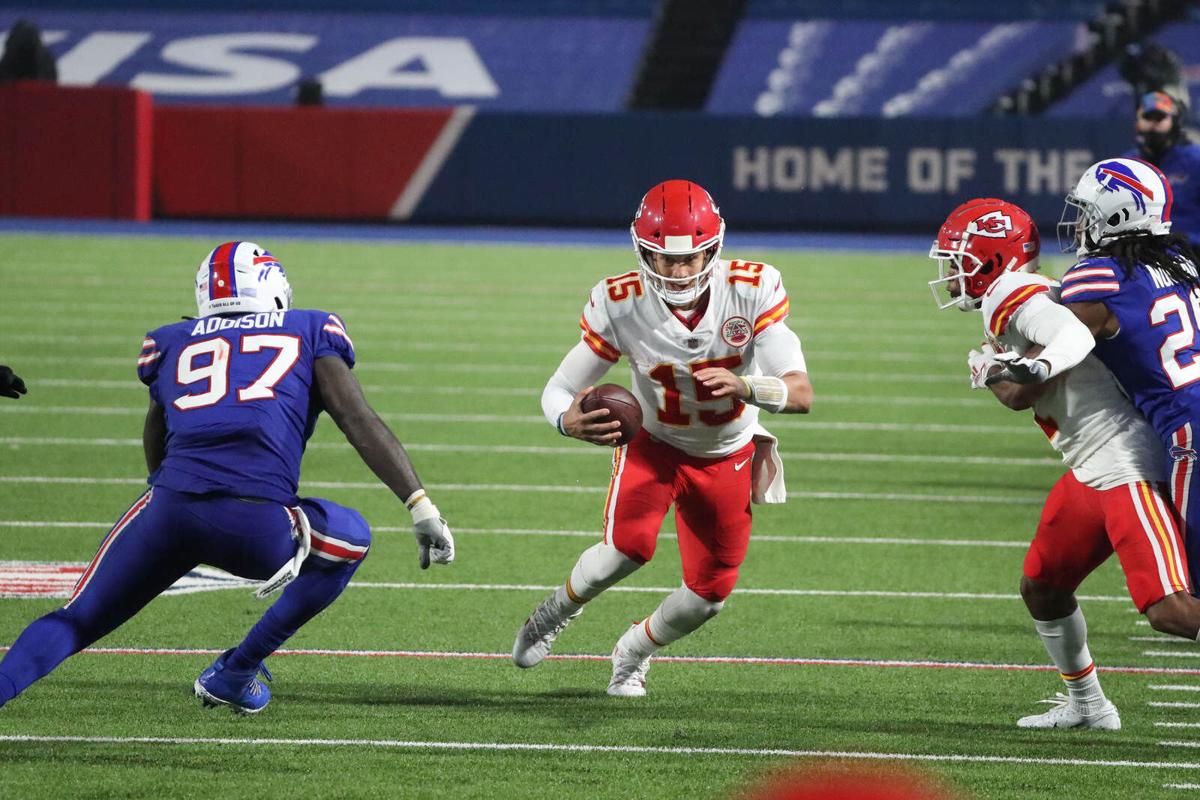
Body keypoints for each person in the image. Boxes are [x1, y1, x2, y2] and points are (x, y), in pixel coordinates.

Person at [0, 241, 455, 714]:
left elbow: (157, 435)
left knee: (74, 620)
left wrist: (171, 505)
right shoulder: (311, 329)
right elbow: (356, 418)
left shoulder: (172, 340)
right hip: (256, 528)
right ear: (274, 286)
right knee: (352, 538)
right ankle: (237, 670)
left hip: (169, 510)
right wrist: (419, 503)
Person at [511, 179, 812, 696]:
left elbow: (800, 392)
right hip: (655, 443)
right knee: (626, 548)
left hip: (727, 452)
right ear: (641, 250)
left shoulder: (753, 286)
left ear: (714, 249)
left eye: (693, 258)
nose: (679, 270)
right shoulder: (621, 300)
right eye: (664, 258)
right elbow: (560, 388)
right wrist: (567, 420)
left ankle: (633, 651)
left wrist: (745, 385)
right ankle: (553, 613)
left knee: (709, 595)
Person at [930, 197, 1199, 730]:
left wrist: (1010, 366)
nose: (950, 272)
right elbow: (1023, 395)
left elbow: (1065, 344)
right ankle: (1088, 705)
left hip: (1126, 464)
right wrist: (997, 371)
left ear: (989, 258)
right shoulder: (1025, 299)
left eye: (957, 258)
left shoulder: (1012, 293)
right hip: (1089, 465)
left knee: (1171, 611)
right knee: (1044, 587)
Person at [993, 157, 1200, 592]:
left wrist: (991, 364)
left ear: (1118, 215)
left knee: (1192, 583)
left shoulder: (1098, 278)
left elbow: (1023, 390)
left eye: (1089, 210)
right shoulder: (1184, 261)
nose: (1082, 222)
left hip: (1190, 429)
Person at [1123, 91, 1200, 245]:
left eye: (1159, 118)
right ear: (1137, 122)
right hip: (1139, 257)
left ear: (1174, 122)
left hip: (1191, 255)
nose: (1153, 123)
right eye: (1147, 117)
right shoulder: (1125, 165)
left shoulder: (1196, 161)